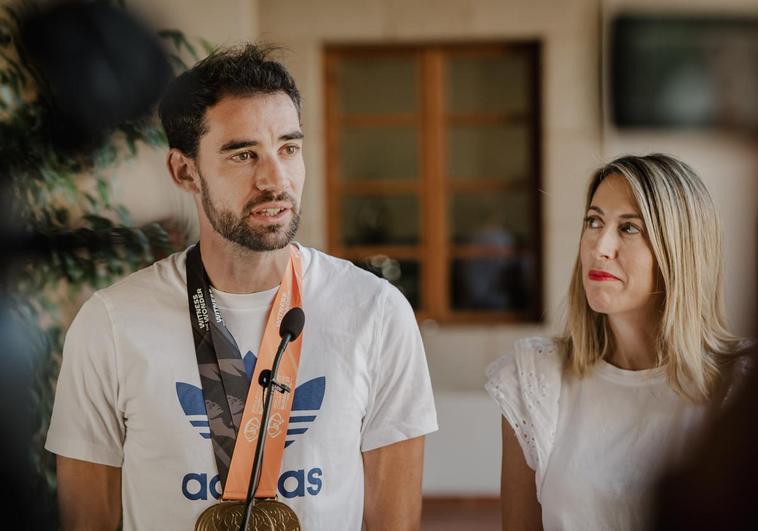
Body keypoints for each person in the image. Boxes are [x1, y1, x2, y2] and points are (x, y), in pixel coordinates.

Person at [45, 44, 437, 531]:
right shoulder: (110, 323)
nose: (276, 179)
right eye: (244, 154)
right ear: (185, 171)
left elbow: (394, 524)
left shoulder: (377, 311)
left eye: (288, 148)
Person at [485, 154, 744, 531]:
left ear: (679, 248)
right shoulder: (534, 380)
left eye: (629, 228)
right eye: (594, 221)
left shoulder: (737, 389)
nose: (599, 246)